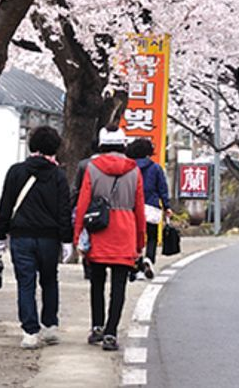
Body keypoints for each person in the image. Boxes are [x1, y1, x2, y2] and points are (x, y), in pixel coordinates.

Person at [0, 125, 72, 349]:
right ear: (54, 148)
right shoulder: (58, 175)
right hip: (49, 239)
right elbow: (63, 210)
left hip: (21, 237)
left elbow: (6, 204)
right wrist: (67, 240)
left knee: (25, 283)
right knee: (49, 280)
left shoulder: (16, 172)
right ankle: (50, 326)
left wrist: (1, 235)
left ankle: (30, 332)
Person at [73, 126, 146, 352]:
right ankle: (111, 333)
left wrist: (78, 236)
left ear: (102, 145)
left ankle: (97, 326)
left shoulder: (92, 168)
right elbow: (140, 209)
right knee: (119, 286)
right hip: (125, 231)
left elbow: (83, 204)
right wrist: (140, 241)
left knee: (97, 282)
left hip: (99, 231)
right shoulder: (134, 170)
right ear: (124, 145)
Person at [126, 138, 170, 264]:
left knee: (134, 236)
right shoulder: (156, 168)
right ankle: (149, 259)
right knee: (152, 236)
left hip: (132, 206)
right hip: (151, 205)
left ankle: (136, 261)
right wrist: (167, 206)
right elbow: (162, 188)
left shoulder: (129, 168)